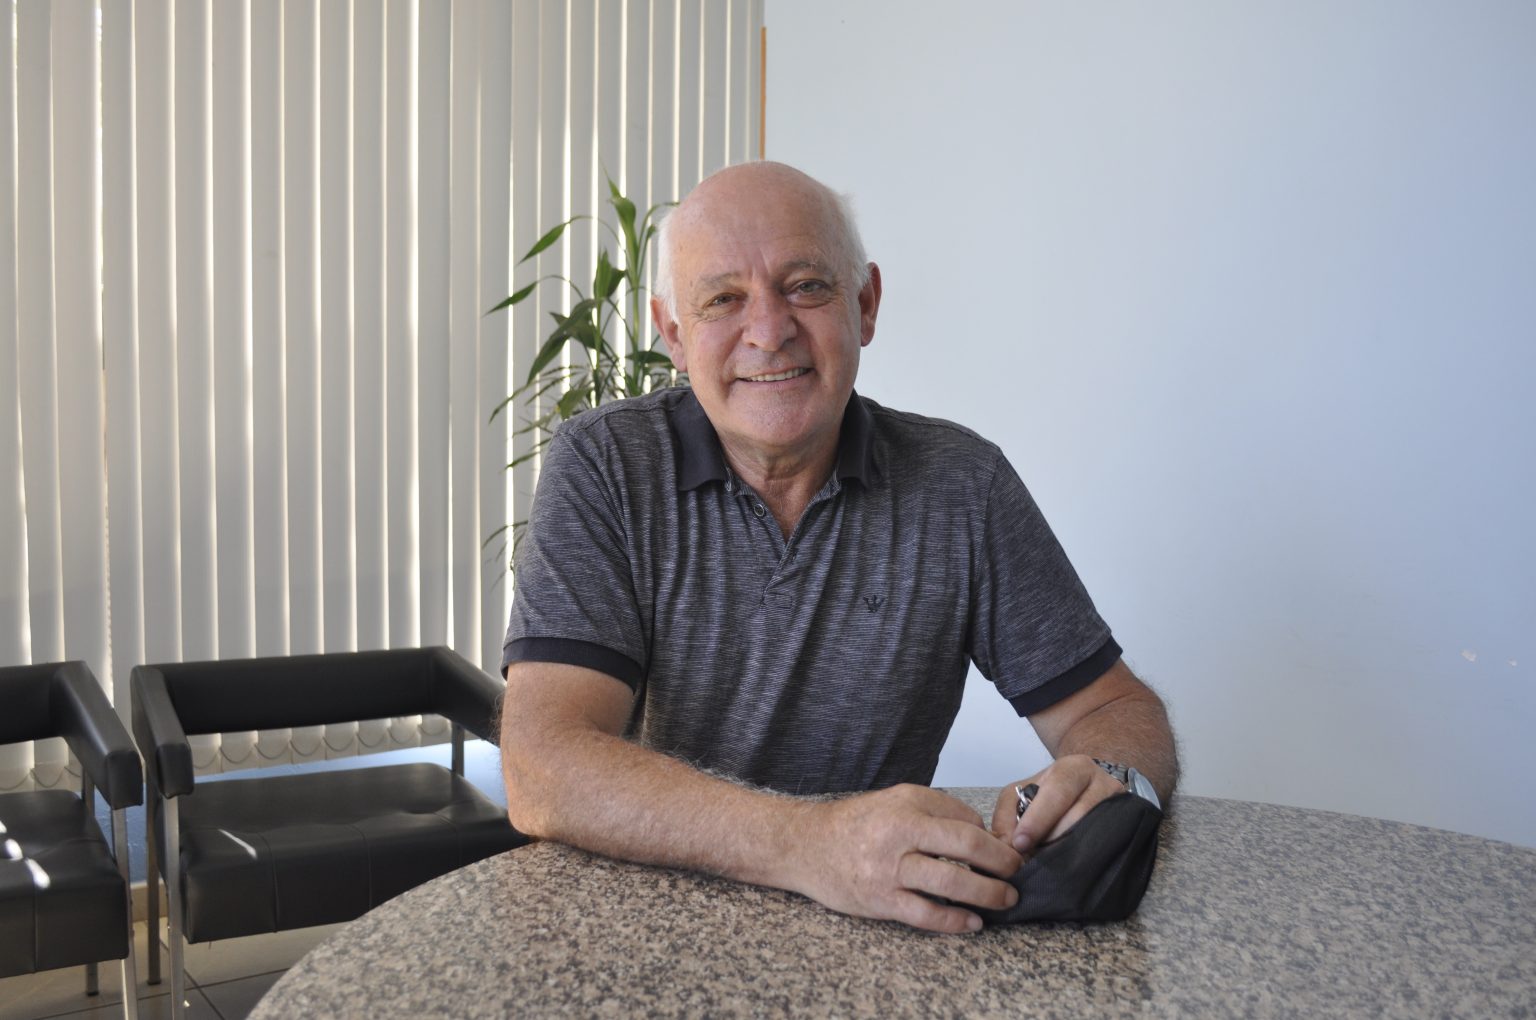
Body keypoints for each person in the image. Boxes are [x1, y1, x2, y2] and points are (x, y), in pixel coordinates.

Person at [499, 161, 1178, 934]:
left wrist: (1107, 778)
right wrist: (810, 846)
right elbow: (543, 764)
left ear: (865, 304)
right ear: (674, 335)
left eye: (806, 286)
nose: (769, 331)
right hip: (643, 928)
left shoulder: (963, 484)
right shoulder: (605, 465)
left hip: (880, 938)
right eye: (723, 299)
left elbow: (1115, 707)